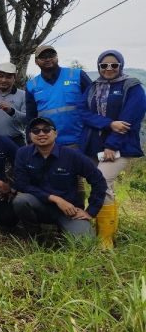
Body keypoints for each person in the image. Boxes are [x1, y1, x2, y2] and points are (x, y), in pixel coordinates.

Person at [78, 50, 146, 248]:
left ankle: (105, 240)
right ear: (99, 66)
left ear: (121, 66)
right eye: (104, 65)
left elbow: (129, 120)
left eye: (114, 65)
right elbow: (83, 112)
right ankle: (104, 229)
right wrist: (108, 124)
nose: (109, 69)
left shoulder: (132, 87)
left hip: (120, 146)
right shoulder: (93, 86)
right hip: (92, 145)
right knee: (102, 186)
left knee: (103, 183)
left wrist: (111, 144)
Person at [12, 117, 107, 237]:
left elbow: (99, 181)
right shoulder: (23, 153)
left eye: (46, 130)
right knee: (20, 201)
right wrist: (55, 199)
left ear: (55, 133)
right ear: (30, 135)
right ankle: (33, 233)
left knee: (86, 240)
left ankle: (65, 228)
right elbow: (21, 184)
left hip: (69, 210)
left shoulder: (72, 155)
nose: (41, 133)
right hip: (39, 205)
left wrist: (91, 211)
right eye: (36, 131)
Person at [25, 44, 92, 147]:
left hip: (80, 140)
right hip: (48, 144)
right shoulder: (31, 85)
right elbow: (31, 116)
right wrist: (30, 140)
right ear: (36, 61)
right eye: (43, 57)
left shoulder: (77, 75)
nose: (48, 59)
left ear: (57, 57)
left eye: (51, 55)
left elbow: (94, 104)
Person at [0, 63, 27, 146]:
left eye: (8, 77)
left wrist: (11, 111)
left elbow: (27, 119)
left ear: (14, 78)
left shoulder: (23, 95)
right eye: (0, 76)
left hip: (15, 141)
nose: (4, 80)